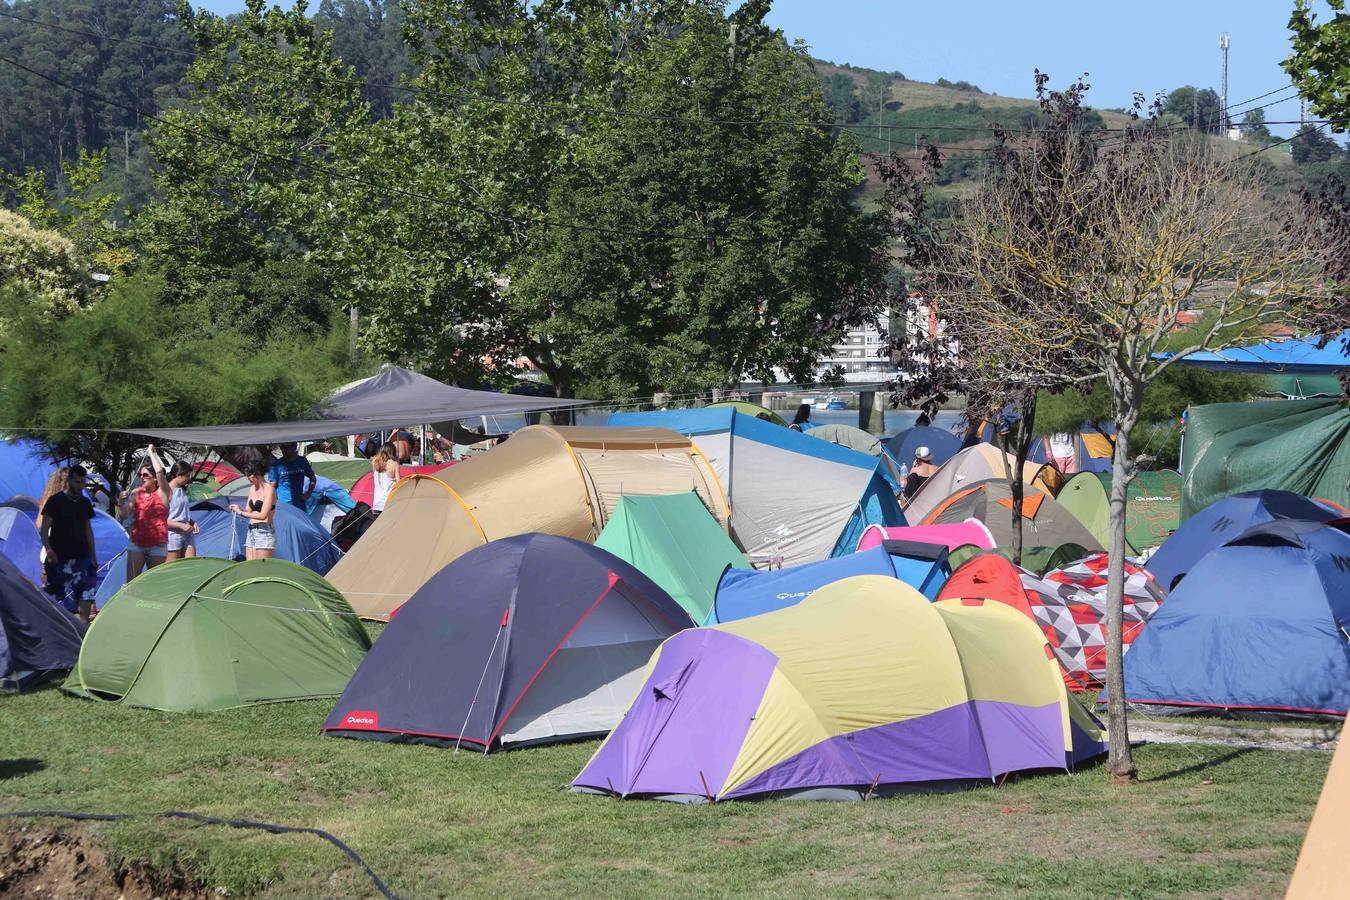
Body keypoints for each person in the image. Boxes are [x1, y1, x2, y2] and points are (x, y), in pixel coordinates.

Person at [40, 465, 98, 624]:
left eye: (83, 482)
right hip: (60, 557)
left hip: (82, 557)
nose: (80, 486)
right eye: (77, 482)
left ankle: (83, 627)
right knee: (55, 593)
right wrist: (48, 550)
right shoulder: (55, 501)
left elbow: (88, 531)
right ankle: (54, 626)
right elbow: (44, 528)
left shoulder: (85, 503)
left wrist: (93, 556)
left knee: (86, 592)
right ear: (70, 480)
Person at [120, 445, 171, 582]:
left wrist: (152, 453)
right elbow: (124, 514)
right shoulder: (136, 492)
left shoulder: (163, 493)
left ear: (154, 478)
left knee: (154, 582)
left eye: (146, 475)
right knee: (131, 581)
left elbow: (160, 472)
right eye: (140, 475)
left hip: (157, 545)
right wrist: (120, 502)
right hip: (137, 542)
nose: (142, 478)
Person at [233, 460, 277, 560]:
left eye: (249, 475)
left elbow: (263, 515)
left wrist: (241, 512)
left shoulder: (270, 489)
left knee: (261, 569)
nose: (247, 478)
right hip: (251, 530)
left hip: (264, 531)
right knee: (250, 567)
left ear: (256, 474)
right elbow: (248, 511)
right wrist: (239, 509)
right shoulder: (252, 488)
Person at [165, 460, 201, 562]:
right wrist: (181, 525)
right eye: (187, 476)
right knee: (172, 569)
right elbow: (160, 520)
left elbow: (181, 512)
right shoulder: (166, 491)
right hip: (172, 535)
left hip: (187, 533)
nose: (188, 479)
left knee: (190, 565)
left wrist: (192, 522)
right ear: (178, 475)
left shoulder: (183, 490)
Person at [267, 443, 316, 510]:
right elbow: (272, 486)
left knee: (301, 520)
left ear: (294, 446)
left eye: (286, 447)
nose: (283, 450)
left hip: (299, 502)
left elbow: (313, 479)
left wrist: (308, 494)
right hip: (283, 504)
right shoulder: (276, 465)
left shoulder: (302, 461)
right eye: (282, 447)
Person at [370, 442, 400, 517]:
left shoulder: (375, 462)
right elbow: (399, 483)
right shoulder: (394, 464)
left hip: (377, 503)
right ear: (393, 451)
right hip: (388, 503)